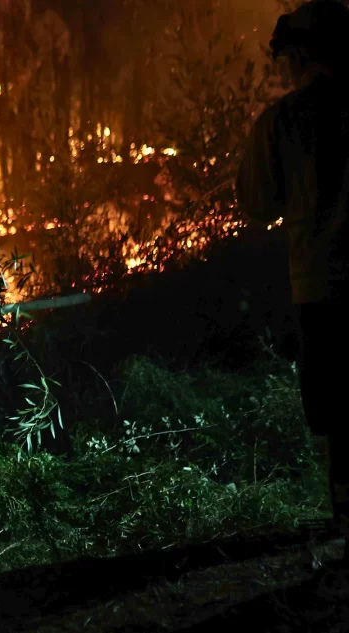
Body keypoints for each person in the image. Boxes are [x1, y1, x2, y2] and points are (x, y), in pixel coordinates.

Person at [237, 0, 349, 546]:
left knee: (334, 413)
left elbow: (257, 203)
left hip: (321, 287)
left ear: (301, 58)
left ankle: (346, 521)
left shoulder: (284, 121)